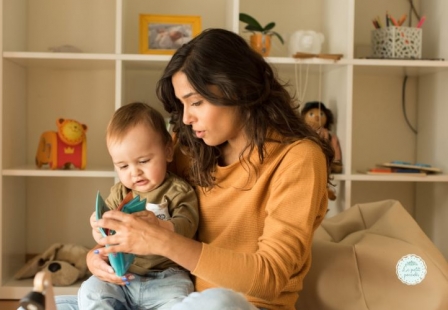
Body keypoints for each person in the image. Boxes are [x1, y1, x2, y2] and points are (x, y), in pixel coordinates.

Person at [54, 28, 334, 310]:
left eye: (196, 102)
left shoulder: (298, 158)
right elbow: (134, 212)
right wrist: (99, 255)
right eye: (182, 104)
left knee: (219, 302)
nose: (186, 118)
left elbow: (270, 277)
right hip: (163, 299)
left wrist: (161, 240)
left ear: (237, 88)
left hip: (237, 305)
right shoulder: (187, 147)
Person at [78, 102, 199, 309]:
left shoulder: (178, 191)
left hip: (168, 278)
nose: (134, 172)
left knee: (182, 302)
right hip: (124, 276)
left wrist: (159, 227)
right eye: (123, 166)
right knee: (90, 291)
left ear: (168, 151)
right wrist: (98, 230)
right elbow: (106, 232)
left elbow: (188, 224)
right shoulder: (120, 193)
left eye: (143, 161)